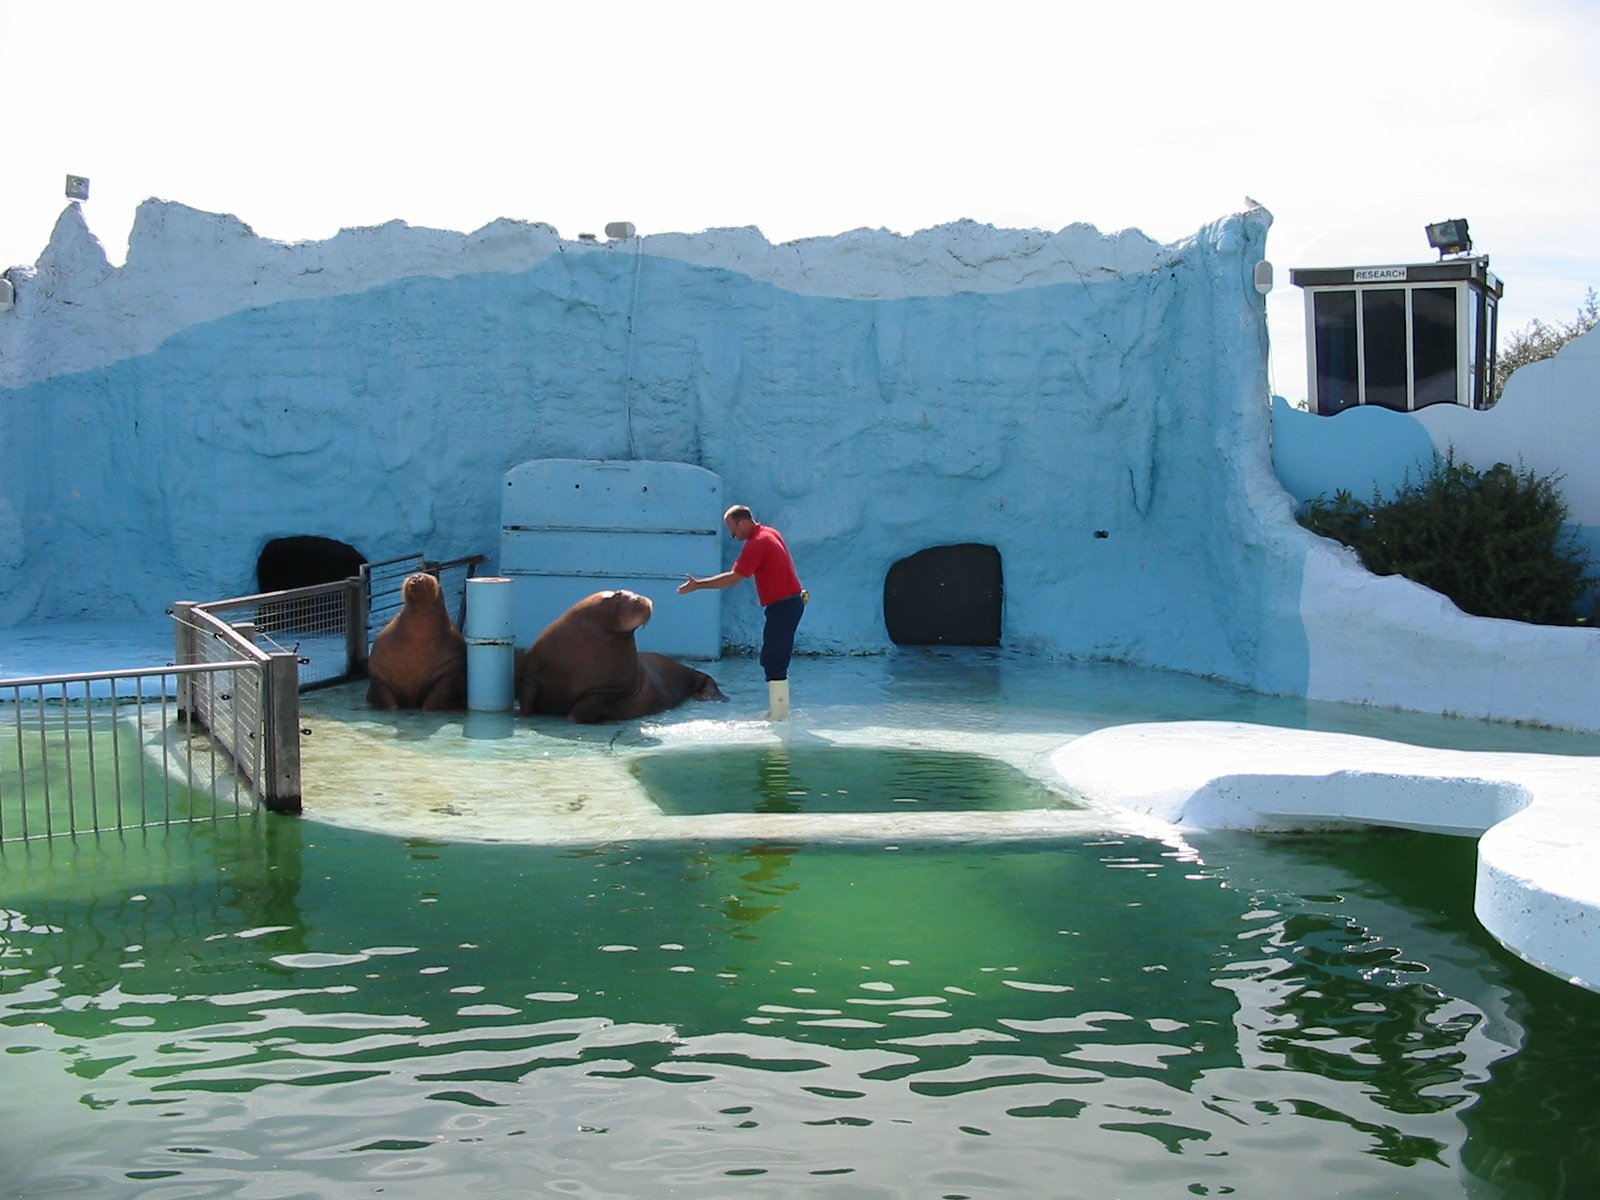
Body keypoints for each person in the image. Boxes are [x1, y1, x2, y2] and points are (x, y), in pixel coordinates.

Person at [678, 505, 805, 720]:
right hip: (788, 604)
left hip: (785, 606)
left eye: (733, 529)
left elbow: (734, 577)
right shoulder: (770, 532)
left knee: (774, 659)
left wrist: (699, 585)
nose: (732, 535)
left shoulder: (759, 542)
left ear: (742, 522)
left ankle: (780, 714)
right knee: (773, 657)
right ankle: (779, 709)